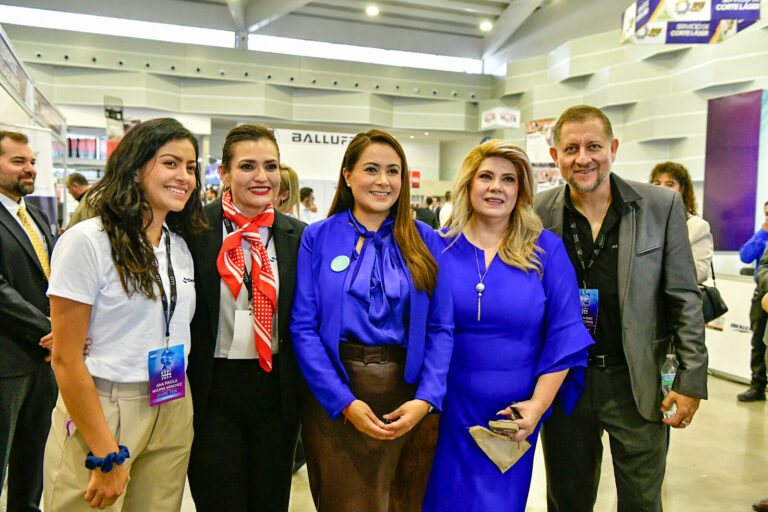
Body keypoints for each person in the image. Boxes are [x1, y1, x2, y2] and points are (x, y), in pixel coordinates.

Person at [535, 105, 708, 512]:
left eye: (594, 146)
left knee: (642, 500)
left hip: (636, 381)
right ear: (556, 155)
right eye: (571, 148)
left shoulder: (660, 207)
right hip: (565, 382)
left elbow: (684, 298)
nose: (583, 158)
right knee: (567, 499)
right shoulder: (537, 213)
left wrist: (689, 380)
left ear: (612, 148)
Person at [44, 118, 207, 511]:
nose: (184, 176)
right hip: (105, 404)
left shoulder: (180, 247)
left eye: (190, 166)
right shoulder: (87, 242)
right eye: (170, 163)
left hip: (171, 398)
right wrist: (105, 452)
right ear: (135, 168)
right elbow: (65, 359)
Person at [422, 140, 592, 510]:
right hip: (444, 413)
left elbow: (566, 335)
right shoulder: (437, 248)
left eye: (509, 179)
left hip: (511, 419)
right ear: (468, 184)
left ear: (521, 190)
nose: (496, 187)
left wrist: (537, 406)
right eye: (486, 176)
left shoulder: (545, 250)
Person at [290, 129, 453, 512]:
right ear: (348, 175)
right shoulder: (318, 237)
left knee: (401, 502)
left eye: (393, 171)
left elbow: (441, 328)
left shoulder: (425, 239)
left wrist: (426, 399)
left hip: (406, 397)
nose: (383, 181)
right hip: (337, 395)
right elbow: (303, 328)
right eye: (372, 169)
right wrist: (343, 402)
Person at [186, 124, 305, 512]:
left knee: (270, 502)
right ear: (224, 173)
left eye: (270, 166)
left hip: (275, 391)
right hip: (212, 390)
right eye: (247, 166)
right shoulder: (192, 230)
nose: (261, 177)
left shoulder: (300, 237)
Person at [0, 130, 58, 512]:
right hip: (7, 363)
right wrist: (49, 329)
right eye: (18, 161)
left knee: (32, 459)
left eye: (32, 161)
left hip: (45, 364)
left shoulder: (34, 214)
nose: (30, 169)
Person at [650, 161, 713, 284]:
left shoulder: (697, 226)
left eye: (670, 184)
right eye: (657, 183)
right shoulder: (643, 224)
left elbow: (700, 272)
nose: (661, 188)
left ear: (682, 190)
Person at [737, 201, 768, 402]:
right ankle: (757, 385)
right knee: (758, 342)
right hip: (763, 295)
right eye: (766, 213)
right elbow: (747, 257)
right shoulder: (762, 237)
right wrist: (763, 232)